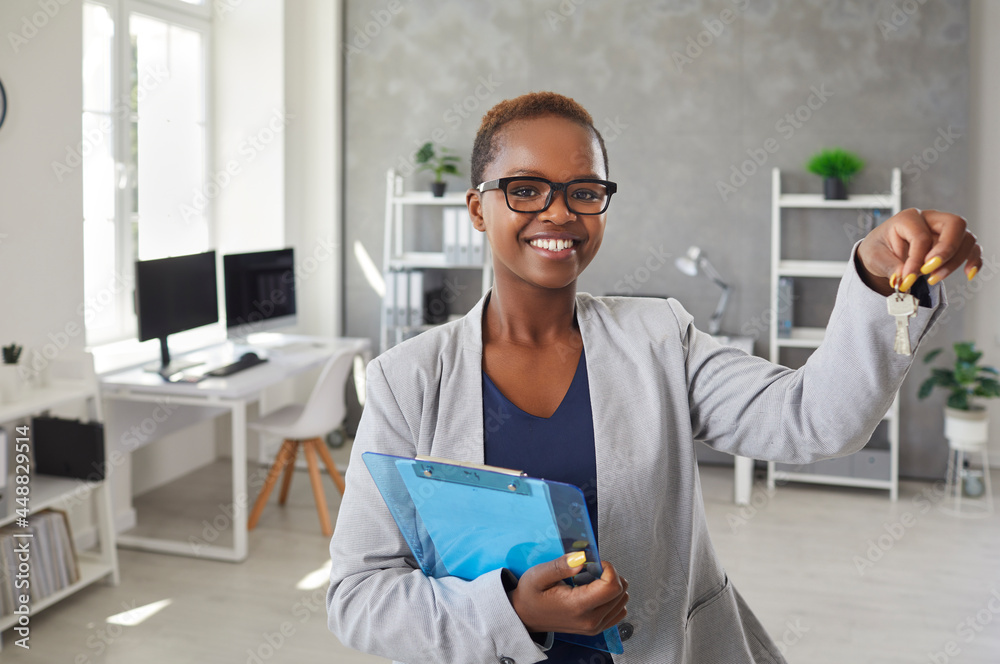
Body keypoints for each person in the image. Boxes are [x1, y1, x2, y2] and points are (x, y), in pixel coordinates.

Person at [327, 91, 983, 664]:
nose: (558, 213)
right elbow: (358, 598)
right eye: (526, 188)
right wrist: (513, 612)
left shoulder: (659, 339)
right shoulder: (405, 382)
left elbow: (819, 420)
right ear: (477, 209)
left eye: (584, 190)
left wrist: (874, 277)